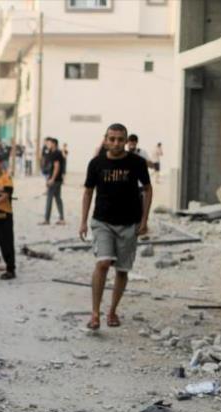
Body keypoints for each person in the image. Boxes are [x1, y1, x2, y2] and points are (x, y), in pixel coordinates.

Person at [79, 123, 152, 331]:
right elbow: (88, 192)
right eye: (112, 139)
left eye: (120, 139)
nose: (116, 143)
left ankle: (112, 311)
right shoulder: (96, 163)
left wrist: (144, 221)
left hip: (129, 223)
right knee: (102, 264)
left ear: (126, 140)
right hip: (102, 221)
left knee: (122, 270)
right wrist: (83, 221)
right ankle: (95, 314)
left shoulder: (137, 163)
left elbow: (148, 189)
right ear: (105, 139)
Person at [41, 137, 66, 226]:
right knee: (58, 199)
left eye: (49, 143)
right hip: (56, 179)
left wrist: (52, 179)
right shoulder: (53, 152)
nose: (47, 145)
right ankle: (62, 219)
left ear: (54, 144)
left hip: (55, 180)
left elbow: (56, 167)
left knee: (49, 199)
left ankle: (47, 219)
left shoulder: (56, 153)